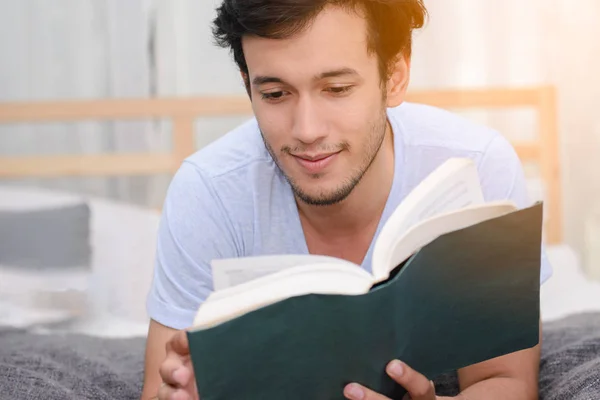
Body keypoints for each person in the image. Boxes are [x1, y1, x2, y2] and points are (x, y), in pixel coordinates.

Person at [141, 1, 552, 399]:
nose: (306, 130)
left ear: (394, 75)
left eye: (336, 89)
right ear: (248, 84)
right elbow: (163, 389)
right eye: (275, 94)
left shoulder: (477, 166)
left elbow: (504, 381)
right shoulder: (208, 192)